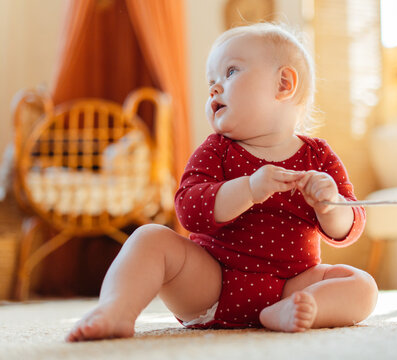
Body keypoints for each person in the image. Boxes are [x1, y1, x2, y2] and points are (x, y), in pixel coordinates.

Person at [66, 22, 377, 341]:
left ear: (284, 83)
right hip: (211, 282)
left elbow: (350, 226)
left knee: (362, 287)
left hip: (291, 285)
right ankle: (116, 310)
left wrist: (330, 206)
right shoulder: (216, 150)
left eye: (230, 72)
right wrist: (249, 189)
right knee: (149, 238)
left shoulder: (319, 156)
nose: (214, 88)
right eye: (210, 82)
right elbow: (189, 211)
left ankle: (302, 309)